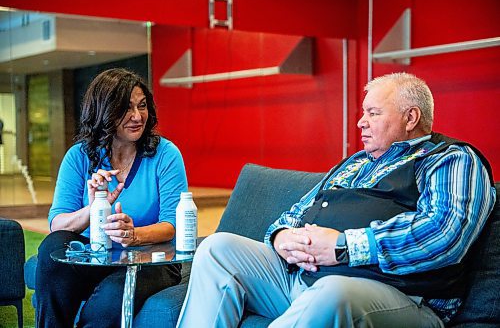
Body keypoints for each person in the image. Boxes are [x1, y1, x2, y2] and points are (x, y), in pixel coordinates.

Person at [176, 72, 496, 328]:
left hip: (401, 296)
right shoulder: (355, 163)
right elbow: (296, 211)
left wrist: (343, 246)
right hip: (304, 277)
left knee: (332, 292)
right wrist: (282, 237)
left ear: (411, 117)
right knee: (218, 248)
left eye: (373, 113)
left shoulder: (451, 159)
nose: (361, 122)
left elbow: (445, 234)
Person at [36, 68, 188, 327]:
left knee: (111, 297)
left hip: (150, 260)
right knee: (52, 249)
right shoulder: (78, 156)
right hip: (95, 256)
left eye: (142, 106)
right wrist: (92, 209)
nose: (137, 116)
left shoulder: (166, 154)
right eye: (126, 108)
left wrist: (133, 235)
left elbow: (172, 225)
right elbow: (57, 225)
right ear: (103, 111)